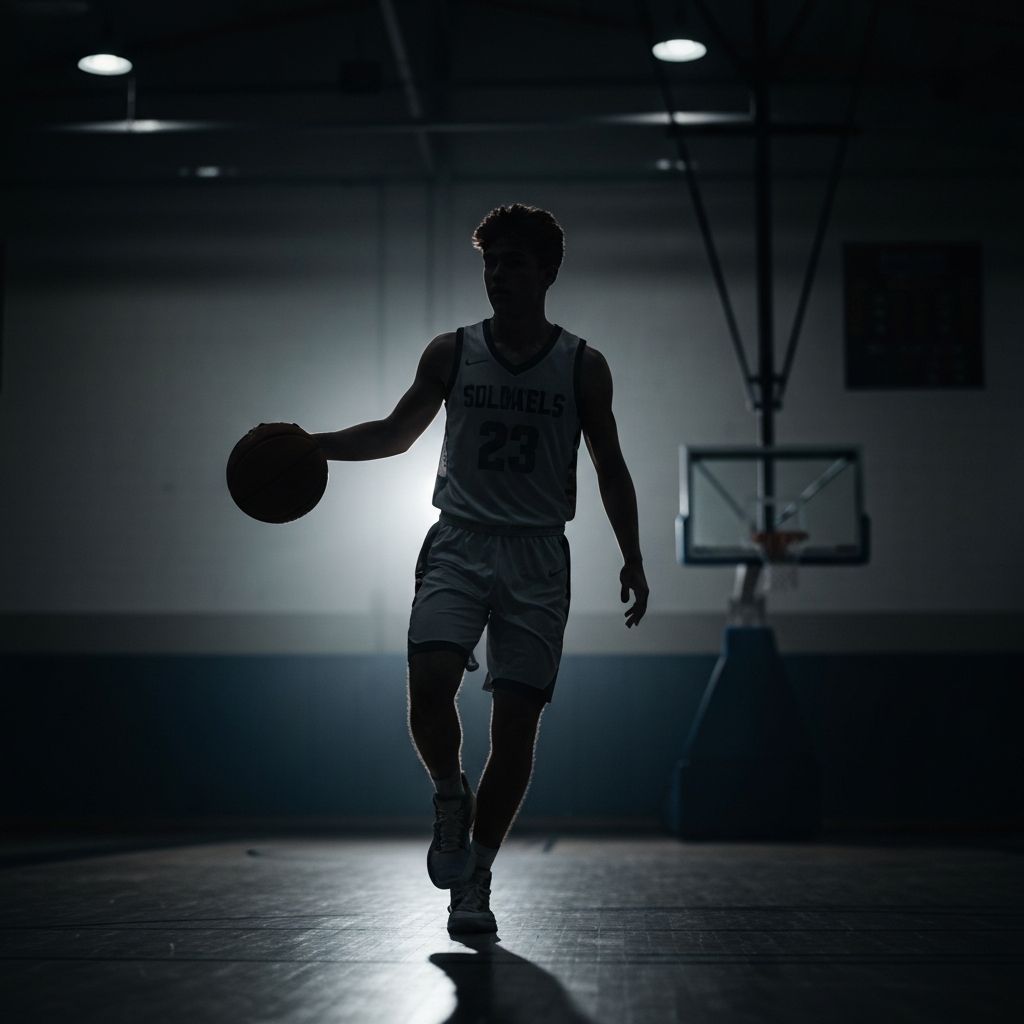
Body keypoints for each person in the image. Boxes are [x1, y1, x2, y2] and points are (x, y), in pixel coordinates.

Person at [313, 203, 648, 934]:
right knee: (430, 683)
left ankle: (477, 877)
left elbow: (612, 469)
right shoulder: (451, 351)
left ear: (548, 273)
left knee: (516, 729)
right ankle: (446, 794)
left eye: (515, 262)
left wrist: (633, 555)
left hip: (537, 552)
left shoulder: (583, 365)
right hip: (460, 540)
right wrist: (316, 444)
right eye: (491, 263)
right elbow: (397, 434)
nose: (499, 275)